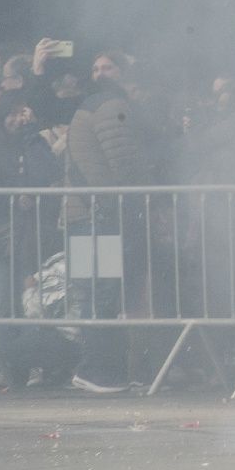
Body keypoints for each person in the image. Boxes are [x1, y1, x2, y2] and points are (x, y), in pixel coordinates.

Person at [61, 51, 155, 394]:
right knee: (102, 293)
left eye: (107, 67)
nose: (100, 73)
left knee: (93, 292)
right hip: (101, 215)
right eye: (96, 67)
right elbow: (124, 161)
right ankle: (98, 371)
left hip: (84, 214)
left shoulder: (89, 105)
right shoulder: (108, 105)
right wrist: (141, 197)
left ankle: (95, 369)